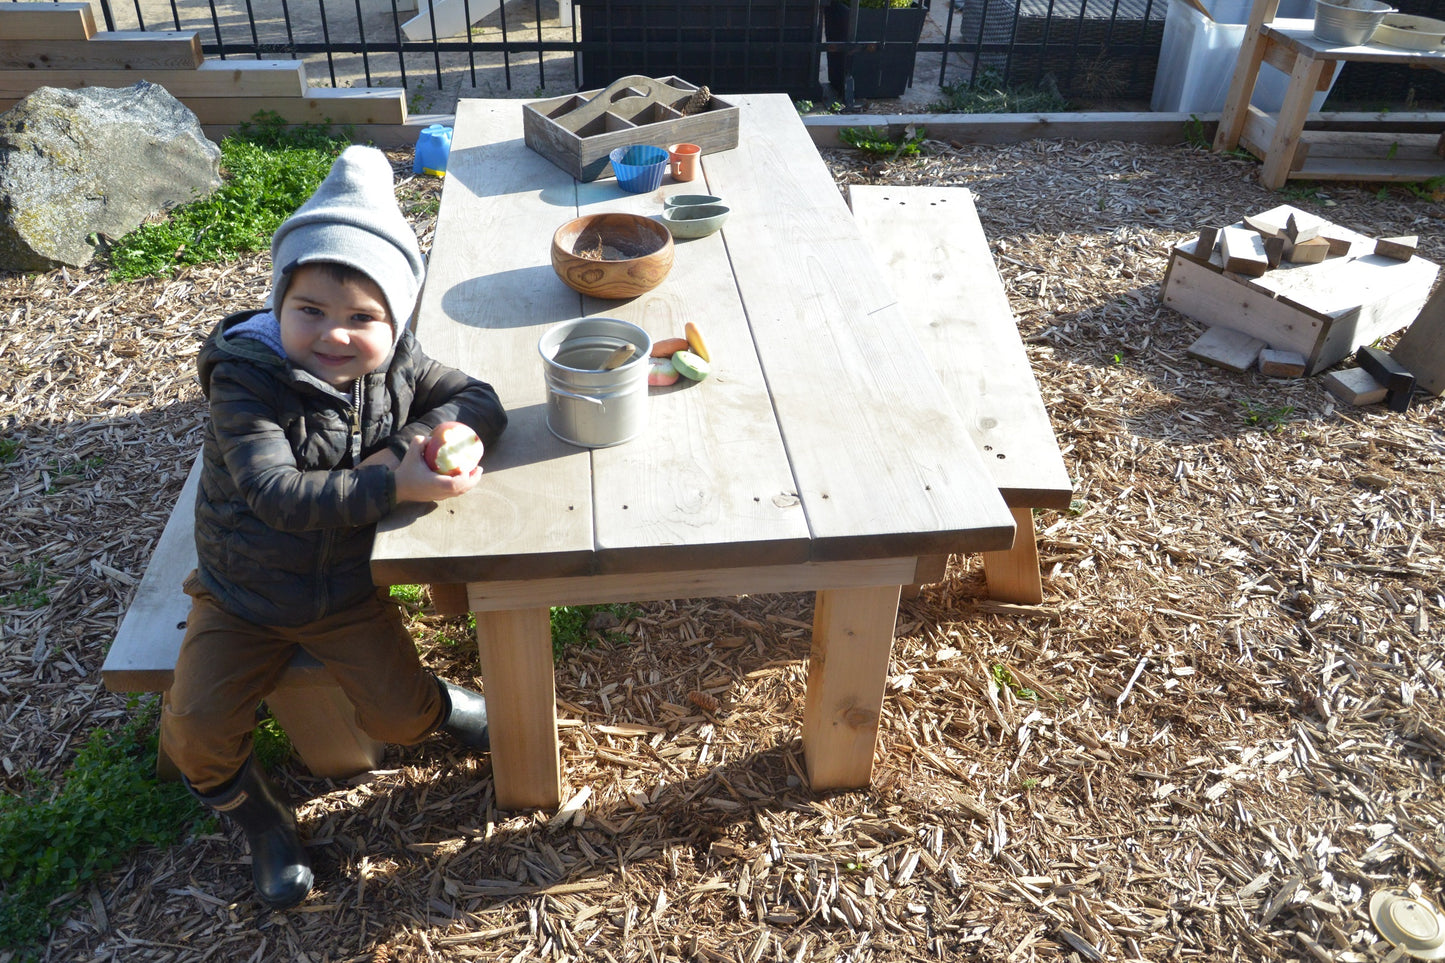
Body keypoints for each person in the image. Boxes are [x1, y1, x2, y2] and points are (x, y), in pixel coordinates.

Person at [159, 145, 508, 909]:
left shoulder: (397, 364)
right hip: (243, 589)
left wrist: (429, 440)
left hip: (346, 587)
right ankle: (264, 821)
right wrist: (393, 481)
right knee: (193, 733)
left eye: (362, 317)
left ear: (396, 318)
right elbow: (273, 490)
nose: (335, 334)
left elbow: (480, 396)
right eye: (309, 309)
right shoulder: (248, 380)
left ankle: (441, 705)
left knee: (400, 718)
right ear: (278, 303)